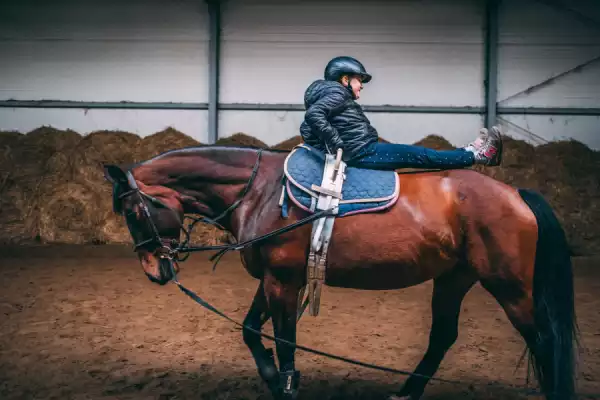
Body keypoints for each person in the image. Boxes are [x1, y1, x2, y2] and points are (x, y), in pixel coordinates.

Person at [299, 56, 503, 170]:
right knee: (420, 155)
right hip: (361, 153)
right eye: (358, 80)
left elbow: (309, 126)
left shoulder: (329, 94)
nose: (361, 86)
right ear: (345, 80)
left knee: (420, 154)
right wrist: (336, 143)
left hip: (360, 149)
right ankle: (478, 156)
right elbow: (314, 116)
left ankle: (468, 151)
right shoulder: (337, 94)